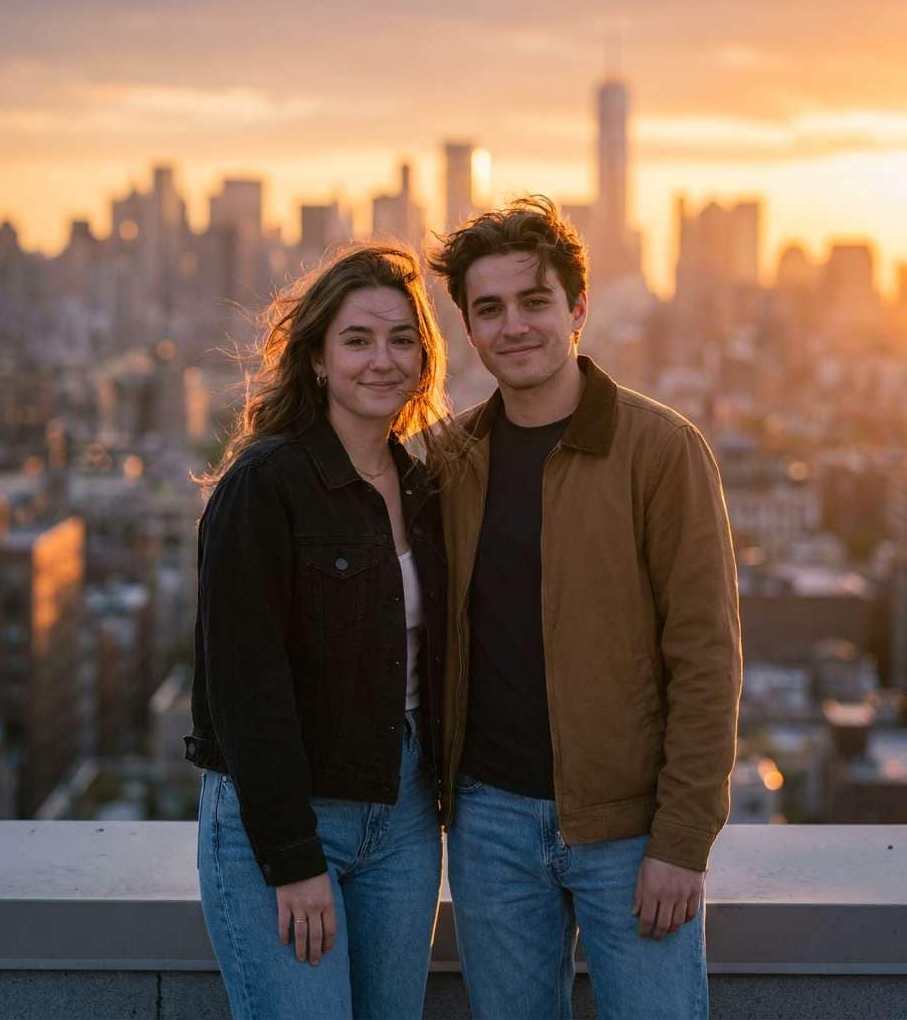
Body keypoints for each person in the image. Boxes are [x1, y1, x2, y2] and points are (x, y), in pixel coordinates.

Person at [427, 197, 742, 1020]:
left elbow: (707, 658)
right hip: (489, 826)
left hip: (630, 828)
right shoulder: (452, 460)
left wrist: (681, 842)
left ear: (578, 309)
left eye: (535, 302)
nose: (514, 326)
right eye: (488, 309)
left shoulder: (661, 450)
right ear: (468, 328)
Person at [185, 242, 452, 1020]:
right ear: (318, 360)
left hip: (404, 818)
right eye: (358, 340)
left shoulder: (424, 487)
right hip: (285, 814)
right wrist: (293, 858)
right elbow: (244, 686)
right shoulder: (264, 486)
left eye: (403, 339)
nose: (382, 360)